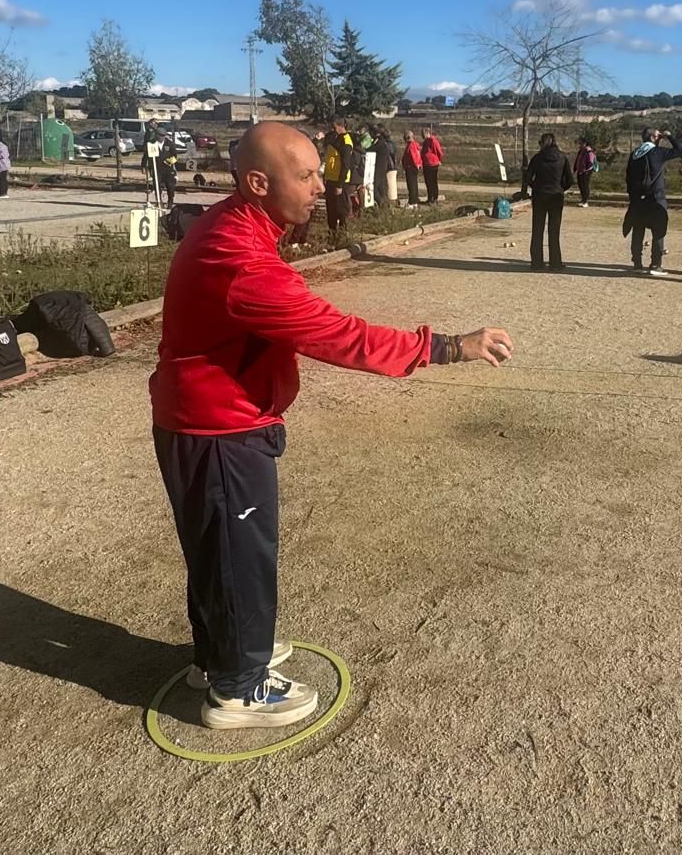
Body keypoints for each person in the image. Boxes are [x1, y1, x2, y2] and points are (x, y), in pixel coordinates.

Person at [150, 121, 513, 728]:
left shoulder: (233, 224)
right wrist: (449, 346)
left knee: (217, 549)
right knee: (240, 554)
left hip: (201, 418)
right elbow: (338, 335)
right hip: (220, 429)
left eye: (319, 172)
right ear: (258, 182)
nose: (321, 186)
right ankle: (239, 687)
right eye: (307, 176)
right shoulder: (243, 262)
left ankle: (221, 657)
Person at [624, 128, 682, 275]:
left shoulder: (635, 154)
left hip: (638, 199)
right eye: (657, 135)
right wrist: (670, 137)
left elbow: (628, 177)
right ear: (652, 137)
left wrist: (633, 197)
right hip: (655, 198)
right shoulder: (657, 152)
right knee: (658, 231)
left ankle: (637, 263)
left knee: (638, 230)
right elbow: (680, 150)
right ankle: (655, 264)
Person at [522, 132, 573, 272]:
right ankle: (555, 263)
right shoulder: (562, 157)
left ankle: (536, 262)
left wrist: (535, 187)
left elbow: (528, 177)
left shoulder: (537, 158)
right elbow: (570, 180)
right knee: (554, 230)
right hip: (556, 197)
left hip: (539, 196)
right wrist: (561, 188)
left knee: (537, 229)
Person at [322, 122, 356, 236]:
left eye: (334, 127)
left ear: (341, 126)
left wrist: (340, 185)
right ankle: (332, 232)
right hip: (331, 179)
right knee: (331, 209)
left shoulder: (346, 142)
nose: (333, 129)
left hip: (340, 181)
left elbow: (346, 165)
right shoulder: (336, 138)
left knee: (341, 209)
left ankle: (342, 232)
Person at [371, 127, 397, 209]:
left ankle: (382, 203)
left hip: (380, 168)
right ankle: (384, 204)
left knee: (375, 188)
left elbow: (370, 149)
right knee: (382, 187)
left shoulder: (380, 143)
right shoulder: (384, 143)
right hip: (383, 168)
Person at [421, 126, 444, 204]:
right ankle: (430, 197)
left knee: (432, 181)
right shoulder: (425, 142)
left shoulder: (433, 140)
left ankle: (434, 198)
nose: (422, 135)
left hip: (433, 163)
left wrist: (439, 160)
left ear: (427, 133)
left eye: (423, 134)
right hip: (426, 163)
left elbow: (439, 151)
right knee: (427, 182)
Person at [402, 129, 423, 207]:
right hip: (412, 167)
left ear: (408, 137)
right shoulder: (415, 144)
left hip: (411, 167)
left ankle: (412, 202)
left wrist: (416, 164)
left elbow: (414, 156)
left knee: (411, 185)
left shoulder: (411, 145)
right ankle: (414, 201)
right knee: (413, 184)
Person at [574, 138, 597, 207]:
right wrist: (575, 168)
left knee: (585, 186)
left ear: (585, 143)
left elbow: (590, 162)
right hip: (580, 171)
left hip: (586, 172)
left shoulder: (589, 152)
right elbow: (577, 160)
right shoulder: (580, 151)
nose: (580, 145)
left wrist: (585, 170)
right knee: (581, 185)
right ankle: (582, 200)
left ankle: (585, 201)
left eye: (581, 143)